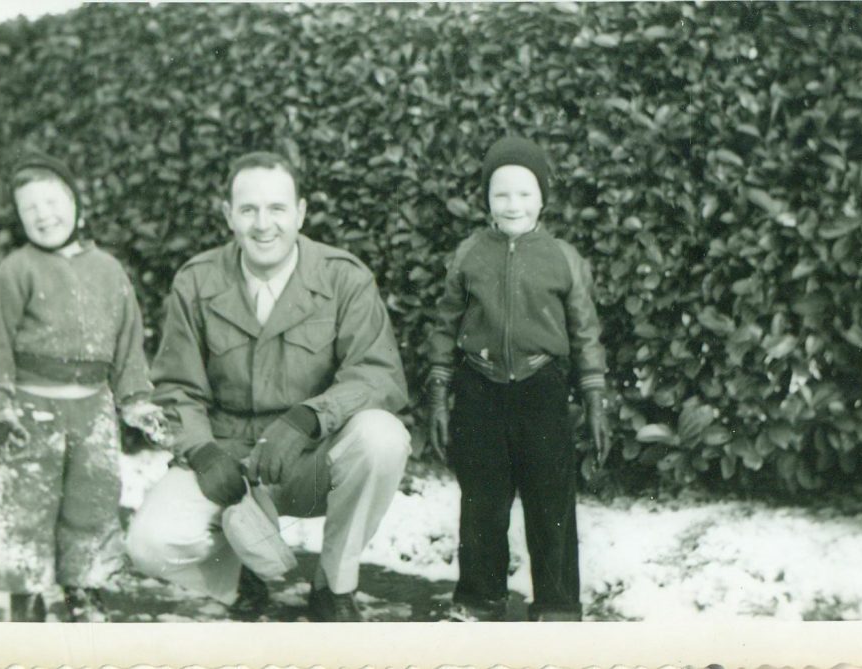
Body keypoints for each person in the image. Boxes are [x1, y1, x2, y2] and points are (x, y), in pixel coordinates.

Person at [125, 151, 411, 622]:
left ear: (300, 212)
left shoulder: (344, 278)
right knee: (148, 544)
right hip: (227, 462)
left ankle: (334, 586)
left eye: (277, 209)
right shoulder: (196, 282)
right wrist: (201, 452)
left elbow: (378, 374)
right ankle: (240, 580)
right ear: (228, 216)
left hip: (308, 459)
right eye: (249, 209)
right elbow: (177, 386)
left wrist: (310, 417)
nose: (264, 225)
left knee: (383, 437)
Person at [426, 136, 612, 622]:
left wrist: (595, 399)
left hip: (541, 389)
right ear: (486, 198)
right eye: (501, 193)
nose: (513, 205)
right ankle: (480, 597)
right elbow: (446, 325)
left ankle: (556, 603)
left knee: (551, 502)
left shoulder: (562, 258)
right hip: (479, 389)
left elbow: (585, 332)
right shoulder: (469, 255)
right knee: (482, 502)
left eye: (525, 193)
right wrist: (440, 395)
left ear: (543, 199)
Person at [0, 150, 169, 622]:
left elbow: (128, 345)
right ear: (20, 219)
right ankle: (25, 593)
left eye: (52, 201)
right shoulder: (16, 271)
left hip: (93, 413)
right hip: (31, 411)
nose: (44, 215)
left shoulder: (109, 271)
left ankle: (86, 587)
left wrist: (136, 399)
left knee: (94, 501)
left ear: (77, 204)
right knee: (26, 507)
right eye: (30, 209)